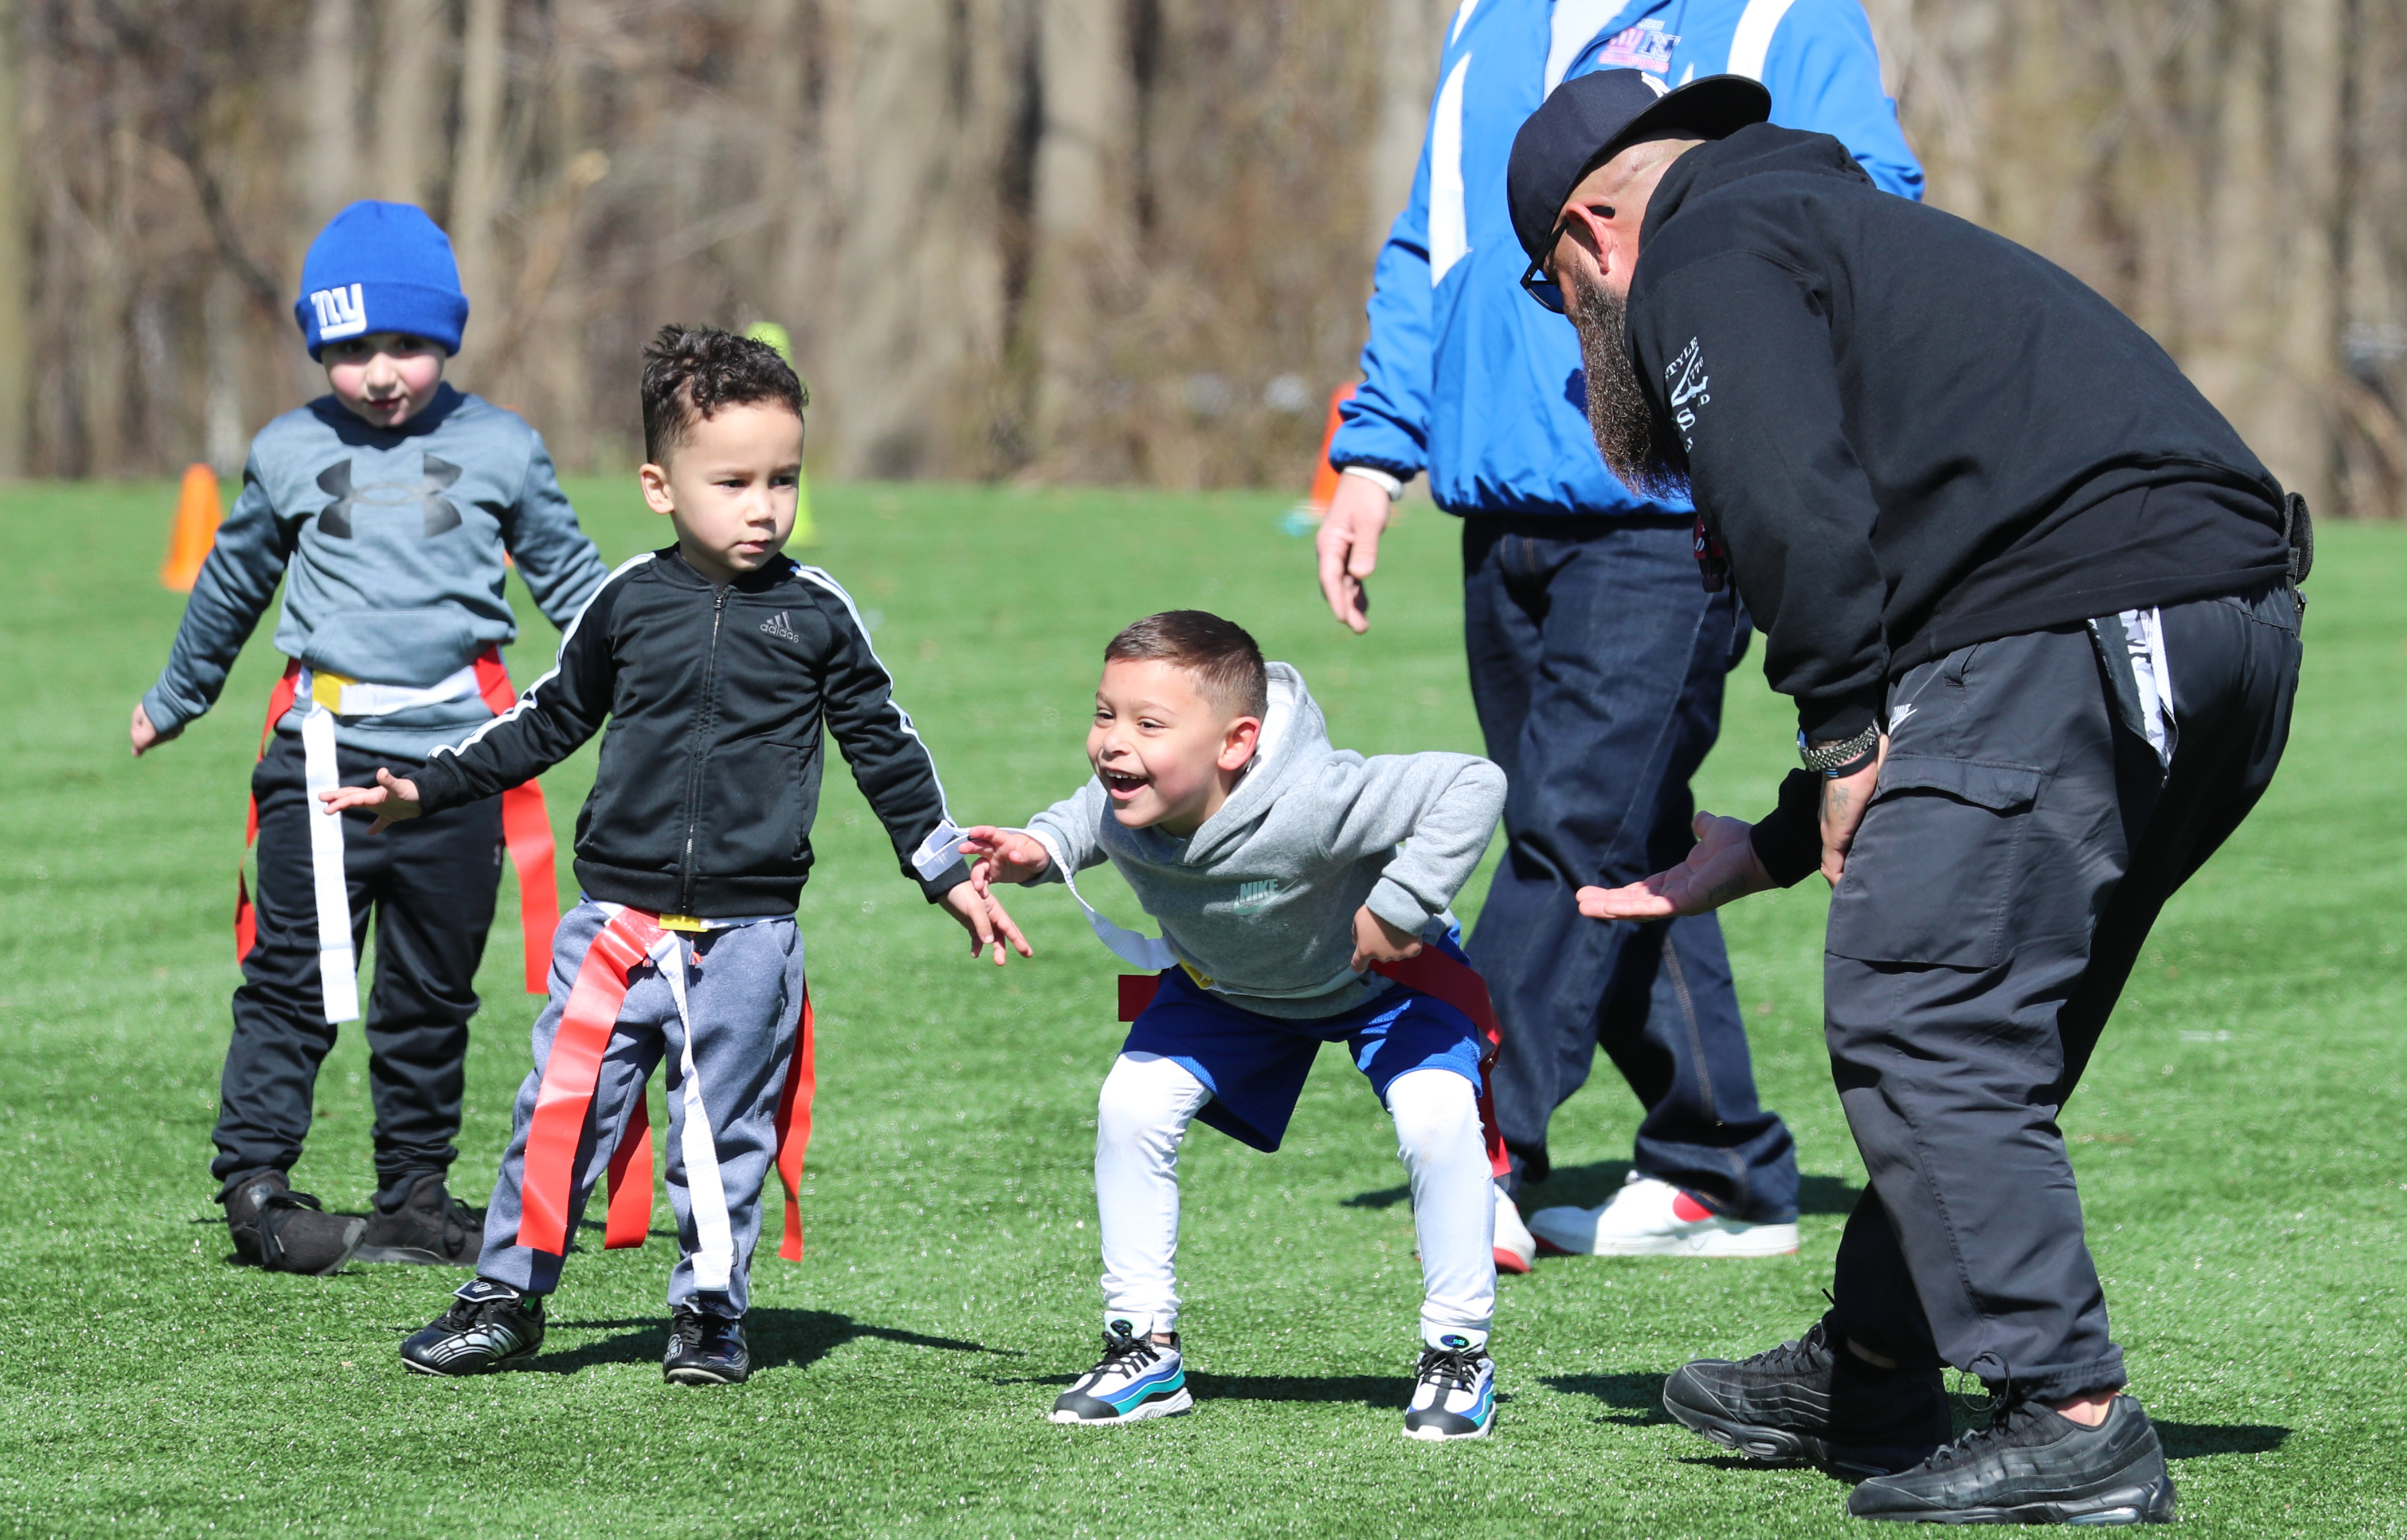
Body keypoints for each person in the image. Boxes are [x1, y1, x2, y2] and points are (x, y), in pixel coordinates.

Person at [1513, 68, 2304, 1523]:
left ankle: (2074, 1416)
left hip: (2083, 620)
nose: (1573, 331)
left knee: (1921, 1009)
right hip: (2207, 629)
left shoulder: (1703, 247)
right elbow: (1919, 605)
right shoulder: (1819, 223)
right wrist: (1771, 834)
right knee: (1983, 1011)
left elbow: (1782, 490)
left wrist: (1833, 737)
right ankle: (1874, 1364)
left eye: (1549, 290)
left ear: (1589, 234)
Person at [1319, 0, 1924, 1268]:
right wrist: (1375, 449)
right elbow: (1432, 240)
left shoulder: (1778, 19)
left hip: (1668, 511)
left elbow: (1866, 213)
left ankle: (1485, 1140)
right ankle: (1725, 1160)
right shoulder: (1489, 25)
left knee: (1566, 826)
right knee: (1624, 835)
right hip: (1501, 506)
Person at [326, 327, 1027, 1384]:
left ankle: (708, 1316)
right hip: (614, 923)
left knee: (718, 1131)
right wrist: (426, 784)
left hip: (750, 939)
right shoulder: (625, 604)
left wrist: (944, 869)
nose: (764, 506)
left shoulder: (817, 616)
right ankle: (504, 1297)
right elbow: (546, 718)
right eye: (734, 480)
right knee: (560, 1114)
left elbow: (884, 744)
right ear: (659, 485)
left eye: (784, 479)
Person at [132, 201, 610, 1275]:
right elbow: (233, 582)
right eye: (350, 350)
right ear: (320, 348)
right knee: (292, 975)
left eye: (404, 345)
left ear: (446, 337)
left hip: (457, 768)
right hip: (319, 760)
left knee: (430, 992)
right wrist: (177, 696)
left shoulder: (502, 447)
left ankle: (413, 1193)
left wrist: (643, 678)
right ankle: (255, 1184)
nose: (381, 372)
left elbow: (580, 590)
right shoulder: (289, 450)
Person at [961, 612, 1510, 1439]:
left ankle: (1458, 1353)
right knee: (1131, 1104)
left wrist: (1398, 908)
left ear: (1235, 743)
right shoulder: (1133, 796)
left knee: (1437, 1120)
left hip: (1385, 981)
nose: (1114, 743)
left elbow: (1474, 783)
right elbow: (1089, 815)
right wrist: (1044, 848)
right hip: (1230, 989)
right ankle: (1142, 1348)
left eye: (1149, 724)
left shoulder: (1317, 799)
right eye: (1106, 714)